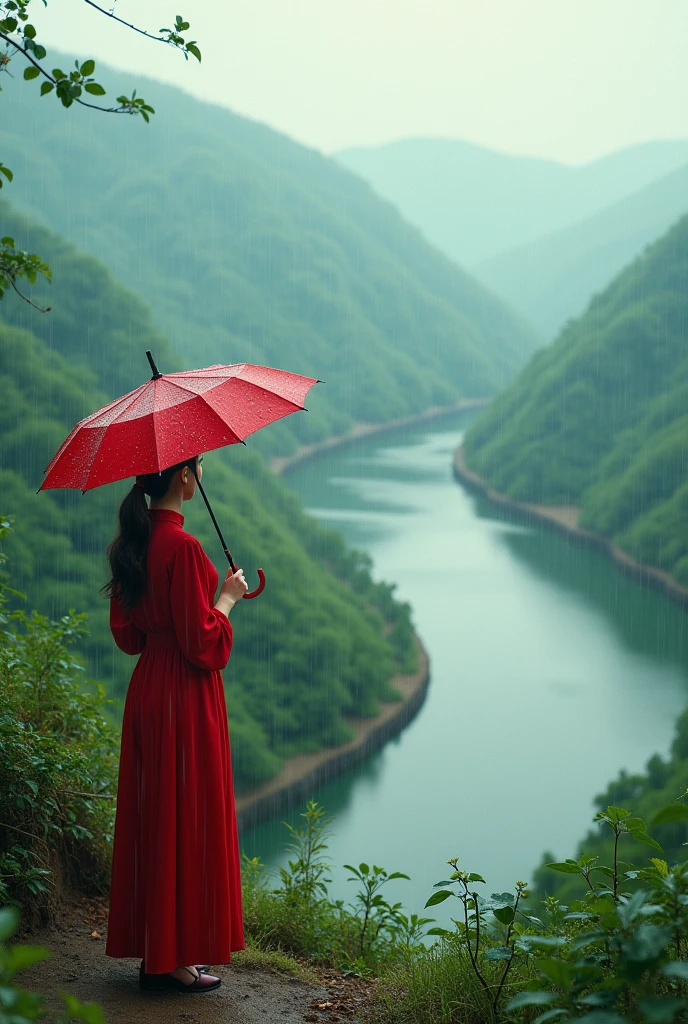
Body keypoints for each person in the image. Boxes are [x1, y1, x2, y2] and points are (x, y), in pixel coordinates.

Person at [102, 454, 249, 993]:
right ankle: (173, 961)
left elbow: (130, 637)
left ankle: (157, 953)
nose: (200, 473)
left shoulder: (133, 545)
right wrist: (226, 601)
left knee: (156, 814)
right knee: (186, 815)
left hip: (148, 691)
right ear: (185, 477)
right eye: (199, 465)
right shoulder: (185, 547)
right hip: (186, 695)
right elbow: (203, 643)